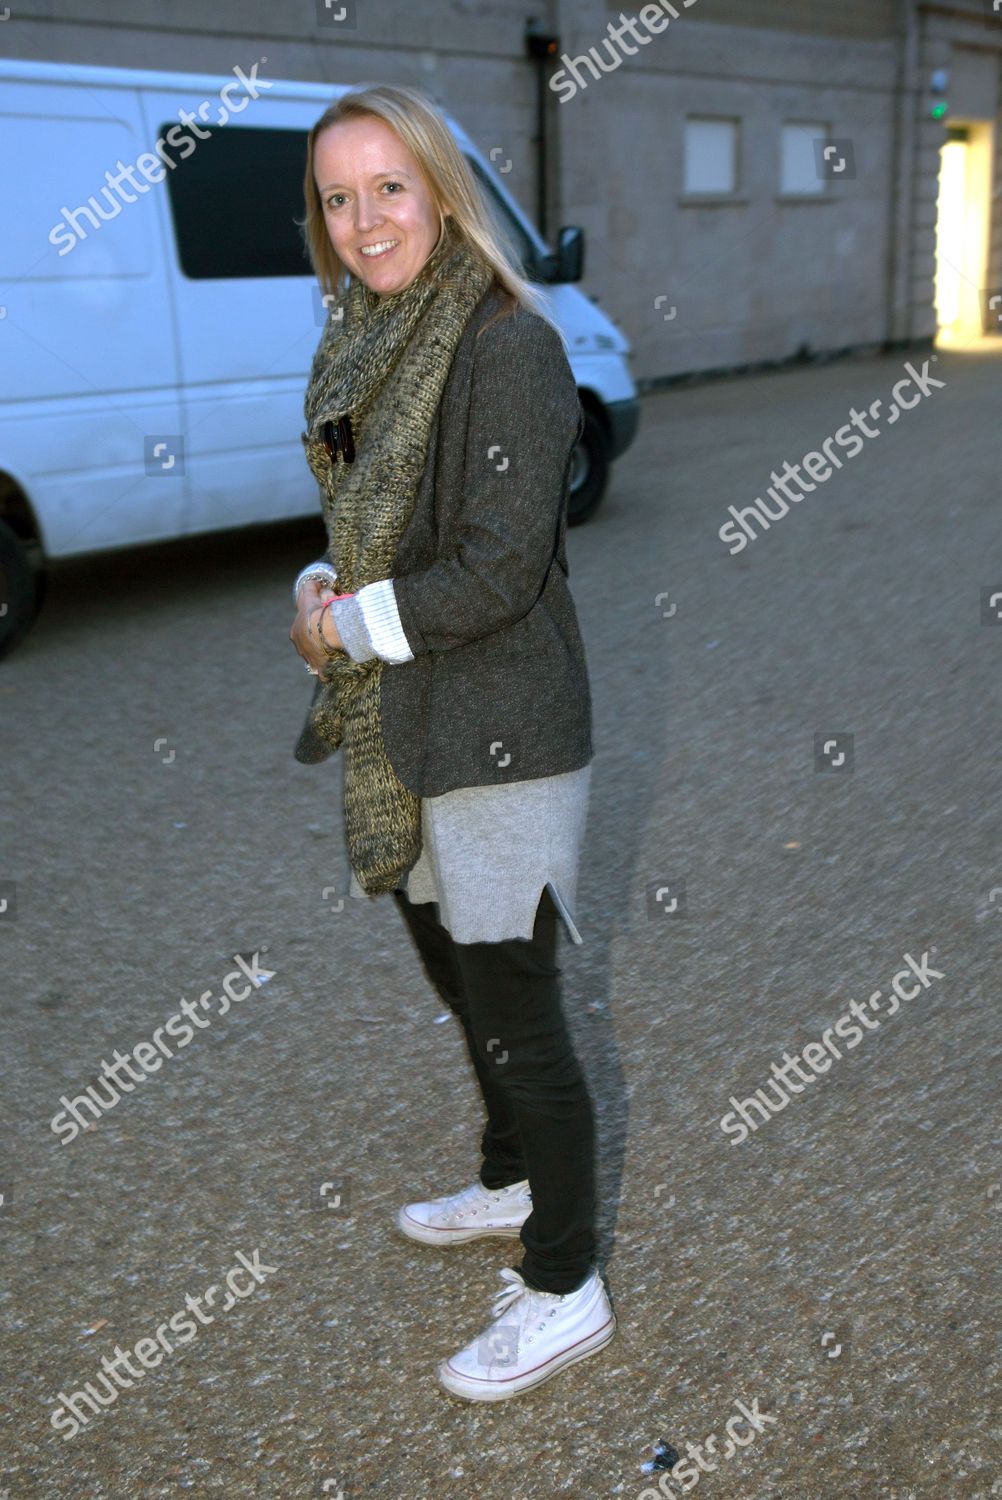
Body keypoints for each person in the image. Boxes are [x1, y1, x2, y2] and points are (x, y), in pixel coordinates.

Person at [288, 82, 614, 1401]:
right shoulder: (369, 334)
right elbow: (371, 520)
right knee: (461, 984)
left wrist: (344, 626)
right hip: (412, 728)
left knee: (519, 1015)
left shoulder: (503, 344)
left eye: (389, 188)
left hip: (505, 741)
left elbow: (489, 569)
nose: (363, 221)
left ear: (440, 189)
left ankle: (563, 1281)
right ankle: (514, 1178)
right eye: (337, 196)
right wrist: (318, 585)